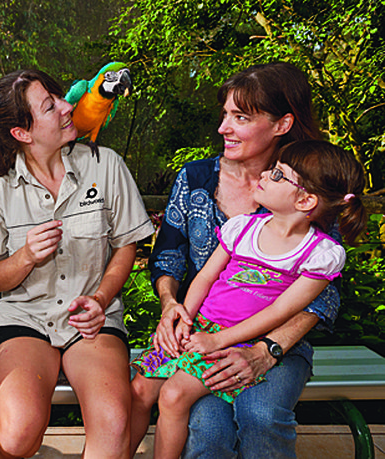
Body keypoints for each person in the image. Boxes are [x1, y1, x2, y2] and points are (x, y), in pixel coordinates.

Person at [131, 61, 342, 458]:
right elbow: (169, 257)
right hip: (201, 329)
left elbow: (323, 296)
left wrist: (267, 350)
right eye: (224, 114)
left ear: (282, 124)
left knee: (252, 415)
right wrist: (171, 306)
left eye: (240, 117)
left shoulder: (308, 187)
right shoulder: (195, 178)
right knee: (178, 409)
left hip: (276, 339)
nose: (222, 128)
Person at [0, 69, 155, 458]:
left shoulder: (106, 165)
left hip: (92, 321)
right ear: (22, 133)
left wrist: (101, 299)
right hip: (23, 319)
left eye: (60, 97)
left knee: (113, 422)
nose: (68, 106)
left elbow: (126, 247)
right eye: (50, 106)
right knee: (17, 433)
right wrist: (24, 257)